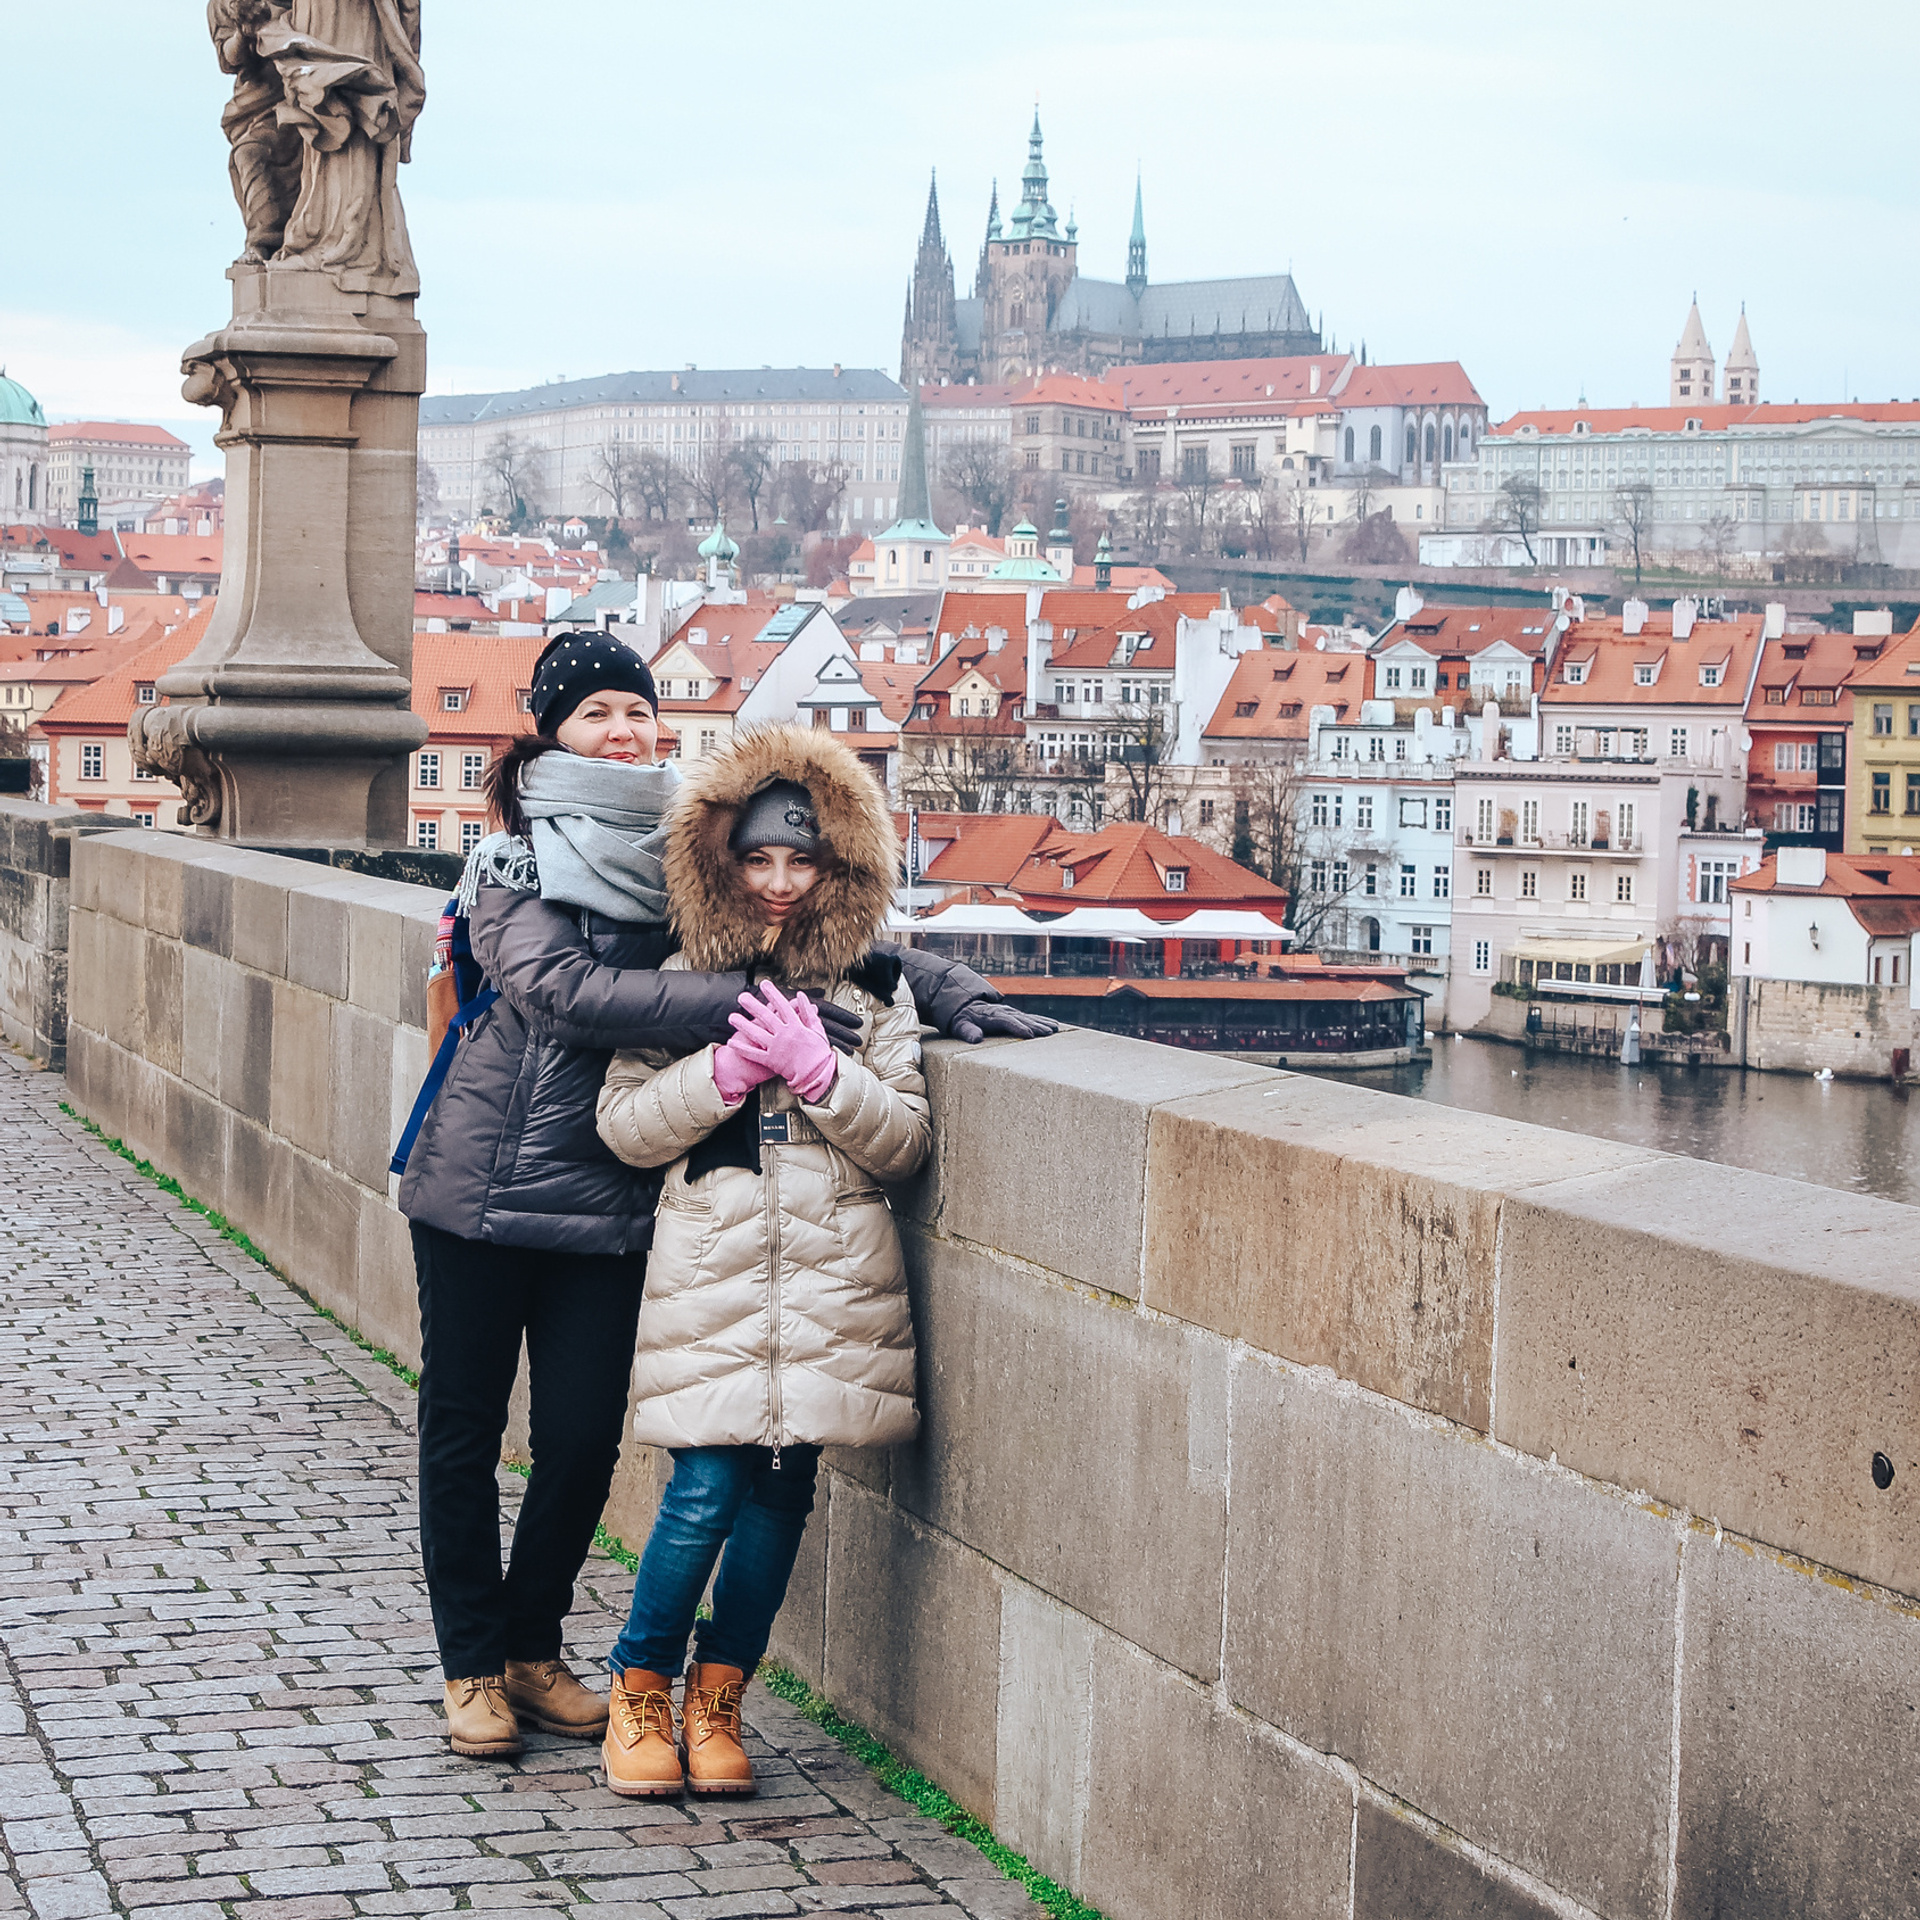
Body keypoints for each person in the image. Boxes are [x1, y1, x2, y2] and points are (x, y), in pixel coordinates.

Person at [398, 635, 1051, 1760]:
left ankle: (531, 1647)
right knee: (462, 1431)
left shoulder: (678, 852)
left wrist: (949, 984)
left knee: (580, 1443)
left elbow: (820, 925)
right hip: (486, 1181)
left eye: (637, 712)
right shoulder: (513, 863)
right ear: (550, 731)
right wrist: (739, 1003)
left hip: (611, 1196)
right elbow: (563, 993)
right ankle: (469, 1665)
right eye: (595, 713)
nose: (623, 732)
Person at [592, 724, 932, 1797]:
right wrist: (727, 1074)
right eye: (758, 858)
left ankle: (720, 1696)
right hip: (717, 1268)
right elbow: (626, 1128)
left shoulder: (875, 988)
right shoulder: (678, 978)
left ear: (839, 867)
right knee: (704, 1484)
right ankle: (640, 1687)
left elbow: (907, 1141)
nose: (780, 884)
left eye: (802, 860)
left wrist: (821, 1075)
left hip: (833, 1273)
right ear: (721, 859)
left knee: (787, 1489)